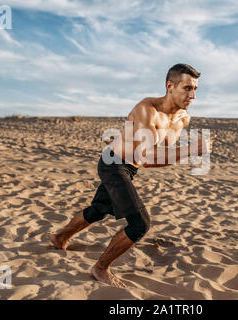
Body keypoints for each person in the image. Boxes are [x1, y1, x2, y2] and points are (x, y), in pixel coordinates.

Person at [50, 63, 213, 288]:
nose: (193, 95)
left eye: (195, 89)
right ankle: (100, 268)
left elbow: (157, 154)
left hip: (130, 168)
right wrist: (191, 151)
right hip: (113, 164)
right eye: (187, 88)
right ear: (170, 86)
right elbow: (148, 157)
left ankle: (60, 237)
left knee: (98, 210)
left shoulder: (183, 119)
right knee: (140, 224)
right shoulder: (146, 109)